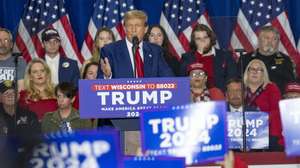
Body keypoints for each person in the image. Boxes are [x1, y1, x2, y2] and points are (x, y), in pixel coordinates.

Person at [99, 10, 173, 78]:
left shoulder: (156, 51)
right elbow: (96, 84)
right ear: (124, 28)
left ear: (146, 29)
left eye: (137, 26)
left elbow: (170, 79)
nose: (133, 30)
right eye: (129, 26)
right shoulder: (110, 51)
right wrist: (107, 76)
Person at [238, 26, 296, 94]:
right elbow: (238, 83)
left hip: (277, 99)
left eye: (274, 39)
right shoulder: (245, 59)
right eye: (267, 38)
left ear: (278, 42)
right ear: (259, 40)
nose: (270, 42)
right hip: (252, 100)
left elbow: (291, 85)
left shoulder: (285, 60)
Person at [179, 24, 237, 91]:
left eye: (205, 37)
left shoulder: (226, 56)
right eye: (198, 39)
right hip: (194, 97)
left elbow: (233, 81)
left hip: (220, 97)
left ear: (211, 38)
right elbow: (182, 82)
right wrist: (199, 55)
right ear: (194, 42)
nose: (202, 41)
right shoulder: (187, 58)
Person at [243, 59, 283, 151]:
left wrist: (261, 119)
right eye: (252, 69)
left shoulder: (271, 88)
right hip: (243, 130)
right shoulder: (240, 88)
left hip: (267, 130)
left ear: (264, 74)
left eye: (259, 70)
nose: (255, 72)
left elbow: (276, 111)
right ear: (247, 72)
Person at [0, 80, 41, 167]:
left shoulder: (30, 116)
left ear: (18, 95)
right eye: (6, 93)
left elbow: (37, 142)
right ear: (0, 97)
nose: (10, 95)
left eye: (13, 92)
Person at [0, 27, 27, 93]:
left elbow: (21, 90)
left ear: (11, 44)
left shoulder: (20, 62)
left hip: (14, 101)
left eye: (6, 40)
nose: (2, 44)